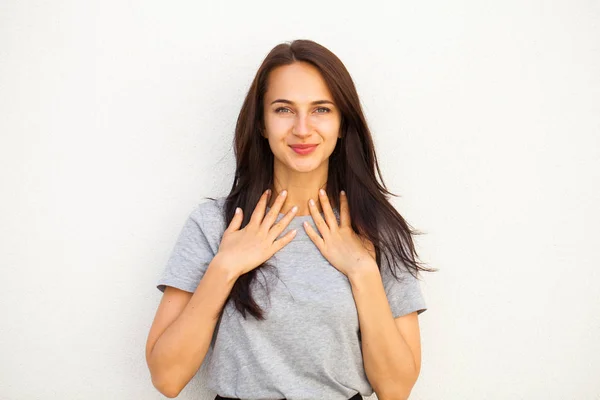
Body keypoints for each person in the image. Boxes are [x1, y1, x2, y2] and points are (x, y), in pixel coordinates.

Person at [145, 39, 436, 400]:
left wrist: (362, 270)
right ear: (262, 124)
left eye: (321, 110)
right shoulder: (215, 224)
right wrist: (224, 267)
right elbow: (166, 377)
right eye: (284, 110)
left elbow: (396, 389)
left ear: (343, 123)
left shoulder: (377, 230)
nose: (302, 128)